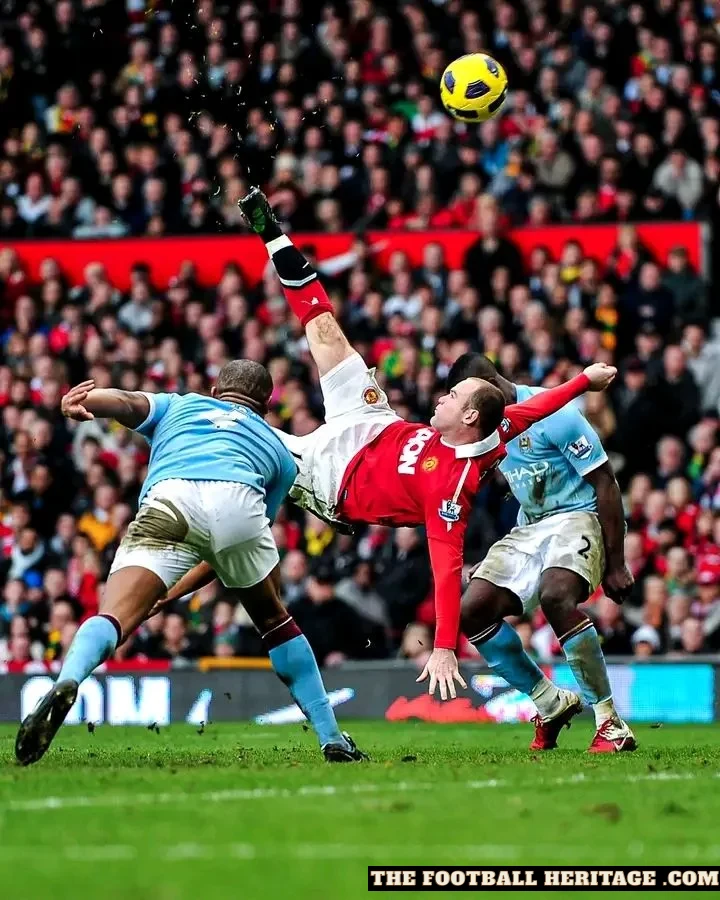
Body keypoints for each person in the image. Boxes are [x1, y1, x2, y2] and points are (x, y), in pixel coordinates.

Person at [229, 187, 616, 700]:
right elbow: (540, 405)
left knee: (234, 429)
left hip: (333, 478)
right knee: (324, 330)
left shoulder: (450, 491)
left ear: (469, 415)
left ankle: (151, 411)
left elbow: (445, 568)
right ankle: (270, 230)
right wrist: (584, 380)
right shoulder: (496, 429)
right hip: (371, 422)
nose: (439, 397)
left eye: (451, 395)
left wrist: (443, 647)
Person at [15, 359, 365, 765]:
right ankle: (332, 737)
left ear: (216, 391)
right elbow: (226, 549)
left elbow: (127, 402)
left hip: (172, 497)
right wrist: (173, 593)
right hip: (240, 502)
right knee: (275, 621)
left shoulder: (181, 405)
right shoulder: (280, 452)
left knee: (114, 616)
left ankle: (68, 680)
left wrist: (83, 400)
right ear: (265, 408)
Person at [448, 353, 636, 753]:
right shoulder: (486, 429)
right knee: (471, 610)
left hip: (580, 515)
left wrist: (616, 562)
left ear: (487, 386)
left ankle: (610, 722)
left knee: (555, 596)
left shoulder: (554, 414)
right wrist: (505, 555)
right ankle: (549, 703)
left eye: (468, 403)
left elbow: (605, 482)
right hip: (532, 526)